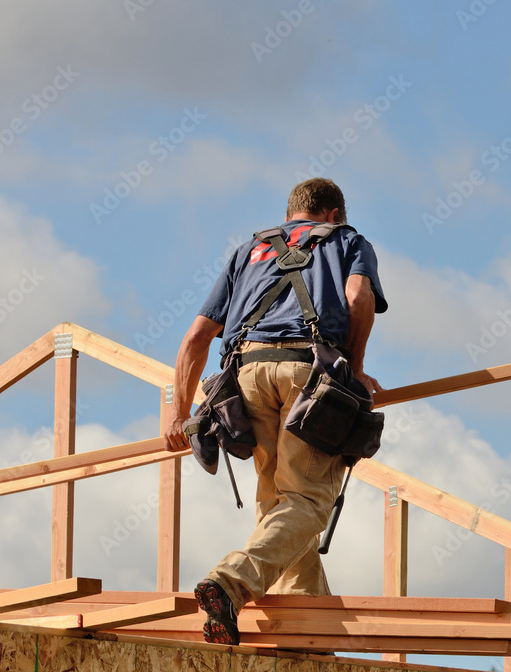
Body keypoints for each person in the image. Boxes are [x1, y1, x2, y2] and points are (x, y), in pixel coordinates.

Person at [163, 177, 387, 645]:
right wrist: (356, 370)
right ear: (332, 214)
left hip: (244, 380)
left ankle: (305, 640)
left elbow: (196, 338)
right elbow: (357, 299)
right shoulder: (348, 240)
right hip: (308, 375)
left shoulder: (248, 251)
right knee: (308, 502)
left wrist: (177, 414)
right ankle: (230, 582)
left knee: (279, 508)